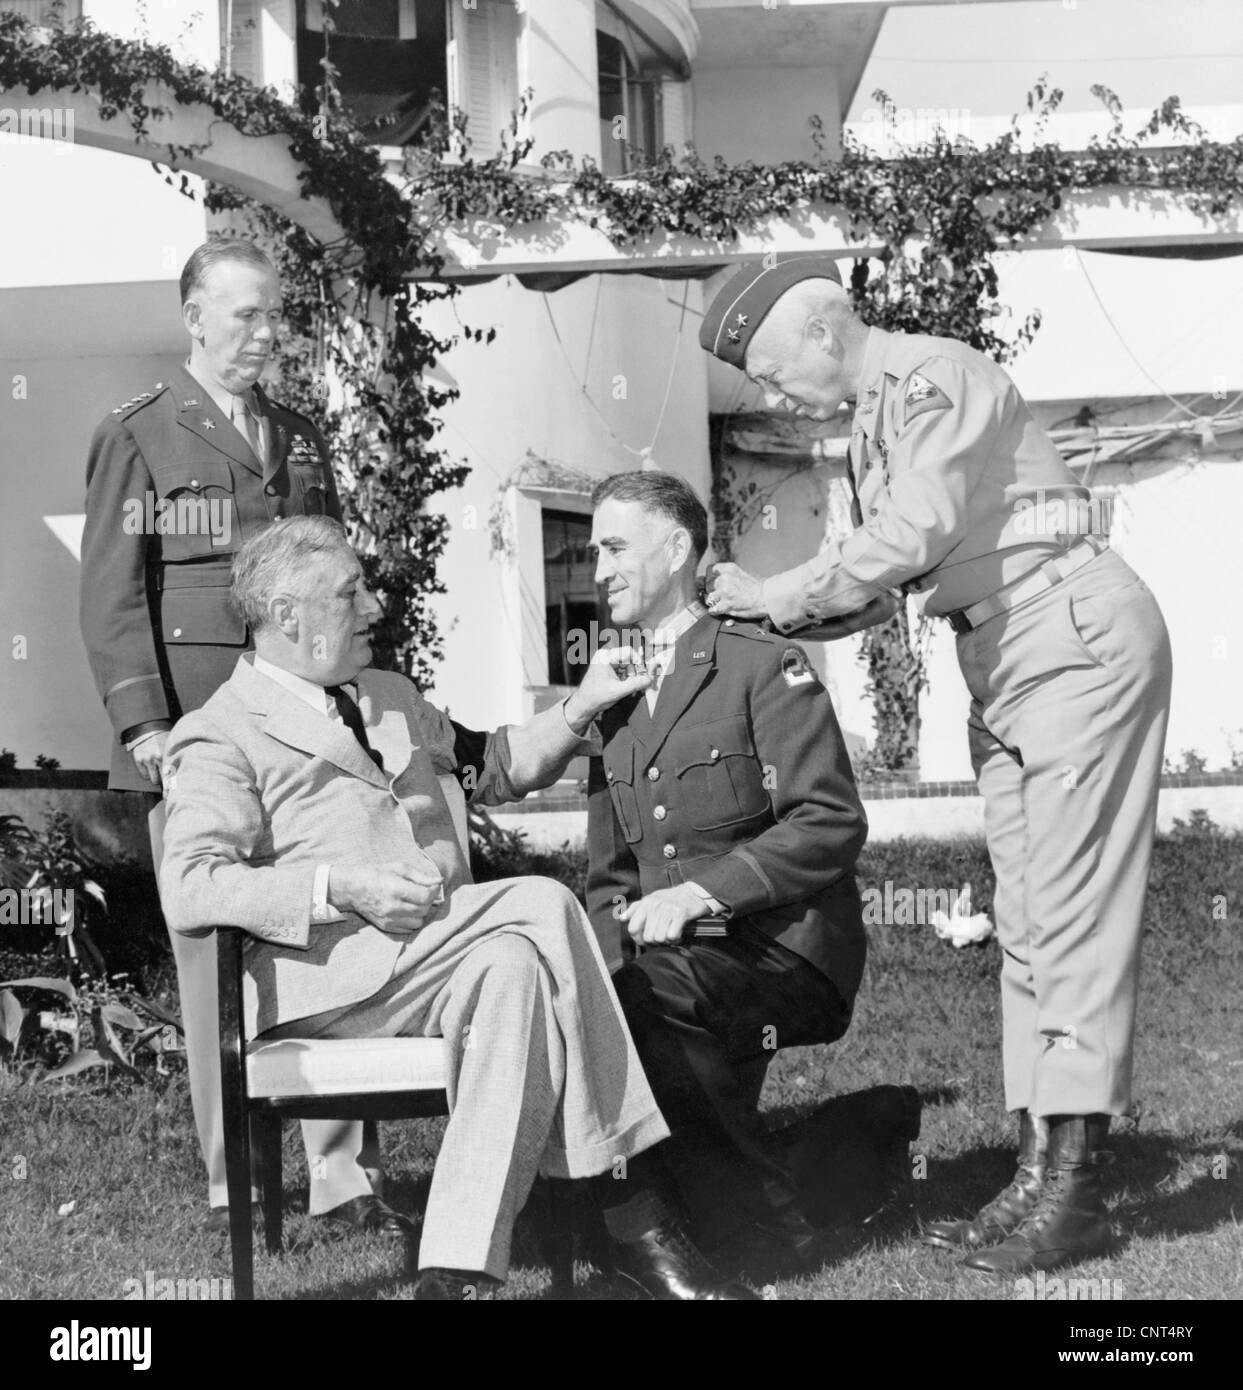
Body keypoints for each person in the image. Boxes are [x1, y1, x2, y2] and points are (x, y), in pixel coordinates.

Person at [697, 254, 1173, 1274]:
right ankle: (1040, 1174)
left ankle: (1076, 1192)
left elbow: (910, 531)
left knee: (1073, 912)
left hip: (1065, 625)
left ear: (825, 332)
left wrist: (781, 591)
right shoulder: (873, 426)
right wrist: (760, 602)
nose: (778, 396)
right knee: (1032, 921)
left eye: (779, 371)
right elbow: (880, 583)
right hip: (1004, 646)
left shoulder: (928, 377)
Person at [157, 515, 758, 1301]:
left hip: (447, 957)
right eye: (352, 592)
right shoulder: (218, 732)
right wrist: (339, 886)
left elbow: (492, 767)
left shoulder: (388, 696)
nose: (375, 606)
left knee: (514, 969)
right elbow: (193, 883)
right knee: (541, 903)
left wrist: (580, 708)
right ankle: (634, 1213)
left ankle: (455, 1273)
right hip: (330, 985)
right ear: (284, 614)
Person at [78, 238, 382, 1235]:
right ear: (194, 318)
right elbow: (113, 596)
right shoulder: (141, 434)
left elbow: (333, 583)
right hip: (204, 737)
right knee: (210, 953)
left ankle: (342, 1182)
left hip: (307, 737)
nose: (265, 333)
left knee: (331, 937)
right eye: (245, 315)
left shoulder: (299, 434)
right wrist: (145, 725)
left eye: (274, 314)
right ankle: (233, 1182)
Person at [584, 470, 877, 1268]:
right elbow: (609, 874)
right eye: (592, 552)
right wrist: (596, 975)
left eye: (614, 547)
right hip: (673, 963)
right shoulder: (614, 698)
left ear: (676, 547)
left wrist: (700, 894)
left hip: (782, 947)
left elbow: (829, 820)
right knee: (610, 999)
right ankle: (647, 1222)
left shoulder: (757, 662)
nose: (597, 569)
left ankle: (766, 1231)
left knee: (655, 993)